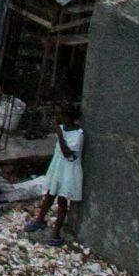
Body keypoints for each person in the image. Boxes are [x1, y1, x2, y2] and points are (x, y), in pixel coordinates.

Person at [28, 103, 84, 245]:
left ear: (69, 118)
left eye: (60, 115)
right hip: (58, 167)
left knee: (62, 201)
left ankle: (56, 233)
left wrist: (59, 134)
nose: (57, 117)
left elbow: (67, 153)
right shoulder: (63, 128)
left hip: (68, 171)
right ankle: (40, 219)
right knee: (49, 195)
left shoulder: (78, 135)